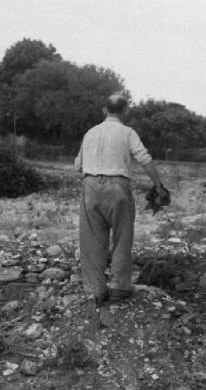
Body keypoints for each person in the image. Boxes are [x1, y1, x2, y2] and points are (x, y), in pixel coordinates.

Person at [75, 94, 168, 304]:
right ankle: (119, 287)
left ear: (104, 109)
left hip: (89, 185)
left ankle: (96, 289)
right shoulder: (128, 133)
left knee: (91, 240)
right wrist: (158, 186)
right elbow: (145, 159)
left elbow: (77, 166)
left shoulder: (90, 133)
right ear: (125, 111)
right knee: (122, 236)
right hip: (118, 185)